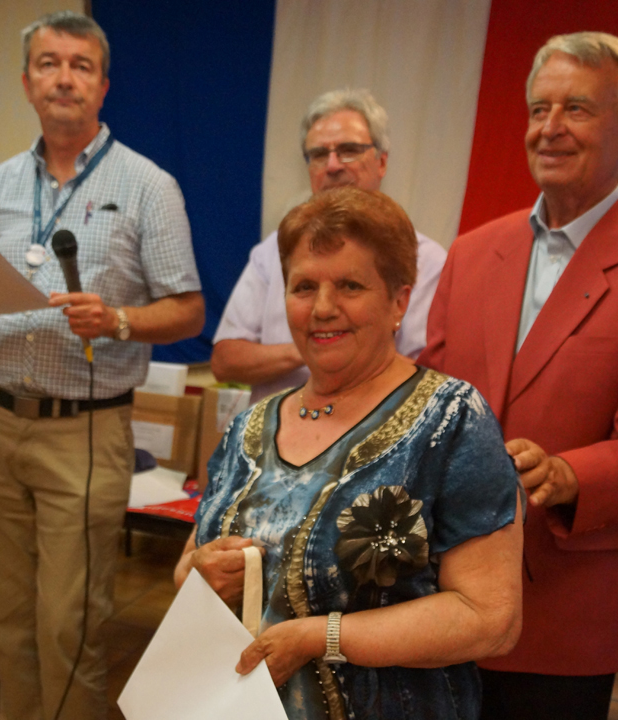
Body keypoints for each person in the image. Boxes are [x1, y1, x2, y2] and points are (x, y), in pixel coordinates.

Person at [418, 32, 618, 718]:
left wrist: (567, 475)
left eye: (578, 110)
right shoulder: (474, 252)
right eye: (540, 109)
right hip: (438, 591)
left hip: (564, 605)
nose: (551, 128)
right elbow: (430, 397)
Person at [0, 11, 204, 720]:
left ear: (104, 86)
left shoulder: (150, 185)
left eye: (80, 66)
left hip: (80, 431)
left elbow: (187, 310)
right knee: (5, 615)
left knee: (68, 624)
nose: (64, 78)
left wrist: (119, 319)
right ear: (28, 83)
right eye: (49, 63)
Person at [181, 186, 523, 720]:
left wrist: (320, 637)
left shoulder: (451, 420)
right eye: (303, 286)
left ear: (399, 301)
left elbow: (490, 618)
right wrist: (199, 571)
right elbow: (187, 566)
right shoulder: (249, 427)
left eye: (349, 285)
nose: (322, 308)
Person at [212, 89, 447, 401]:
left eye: (349, 150)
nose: (333, 165)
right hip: (274, 439)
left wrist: (320, 343)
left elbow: (429, 374)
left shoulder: (426, 260)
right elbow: (226, 360)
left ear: (381, 162)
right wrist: (317, 343)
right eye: (320, 154)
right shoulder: (271, 252)